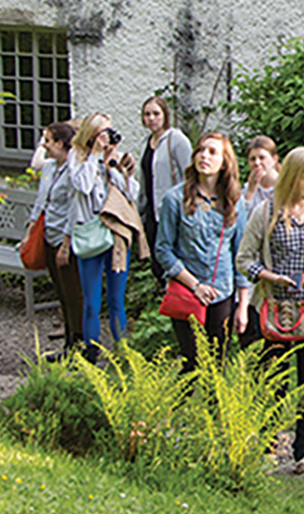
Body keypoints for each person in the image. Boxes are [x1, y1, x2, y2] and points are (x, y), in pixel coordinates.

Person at [235, 146, 304, 473]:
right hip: (274, 309)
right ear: (292, 176)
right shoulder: (265, 212)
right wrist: (269, 275)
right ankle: (267, 446)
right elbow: (243, 259)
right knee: (272, 382)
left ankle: (303, 451)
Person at [161, 131, 245, 369]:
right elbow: (163, 250)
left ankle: (214, 408)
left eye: (212, 152)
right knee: (192, 364)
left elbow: (241, 254)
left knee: (217, 366)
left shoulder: (235, 201)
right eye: (200, 150)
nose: (204, 156)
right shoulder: (175, 199)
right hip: (187, 291)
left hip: (222, 292)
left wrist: (243, 304)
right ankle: (173, 407)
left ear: (224, 162)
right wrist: (195, 285)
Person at [66, 113, 139, 357]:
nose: (107, 137)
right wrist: (95, 156)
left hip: (115, 233)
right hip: (90, 233)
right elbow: (83, 186)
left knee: (117, 298)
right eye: (102, 132)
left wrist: (112, 164)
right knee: (92, 300)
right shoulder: (76, 157)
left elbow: (131, 193)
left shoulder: (113, 158)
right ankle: (92, 349)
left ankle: (122, 349)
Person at [26, 117, 89, 360]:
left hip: (66, 240)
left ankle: (78, 346)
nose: (44, 146)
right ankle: (67, 345)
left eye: (49, 141)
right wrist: (30, 230)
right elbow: (41, 200)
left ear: (62, 144)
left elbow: (74, 209)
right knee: (61, 294)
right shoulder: (50, 167)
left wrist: (66, 244)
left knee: (73, 294)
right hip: (48, 235)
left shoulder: (73, 170)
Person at [135, 94, 195, 298]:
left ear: (165, 115)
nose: (151, 118)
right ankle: (165, 298)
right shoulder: (146, 143)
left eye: (155, 114)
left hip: (171, 210)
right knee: (157, 260)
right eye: (147, 114)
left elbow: (190, 175)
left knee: (172, 257)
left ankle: (179, 300)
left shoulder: (176, 140)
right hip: (152, 211)